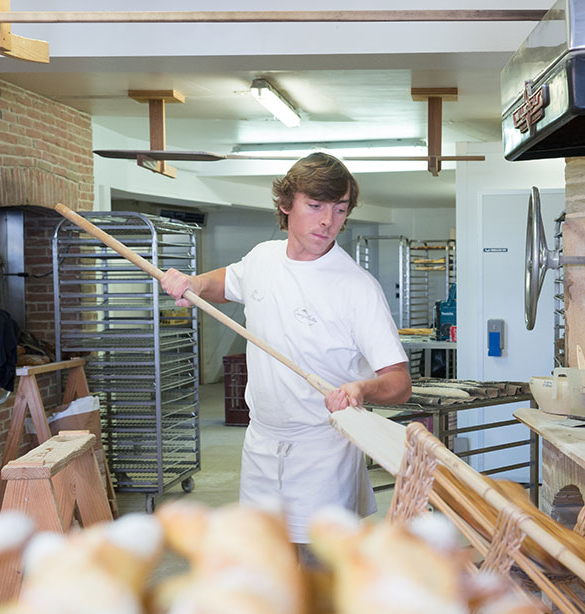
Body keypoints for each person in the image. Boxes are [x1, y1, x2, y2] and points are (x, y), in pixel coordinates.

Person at [160, 152, 411, 544]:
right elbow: (225, 284)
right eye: (315, 206)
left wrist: (361, 389)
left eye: (340, 210)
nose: (328, 222)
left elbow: (399, 381)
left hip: (324, 450)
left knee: (317, 575)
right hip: (260, 443)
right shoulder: (263, 258)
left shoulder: (357, 287)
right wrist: (193, 282)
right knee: (267, 564)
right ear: (285, 204)